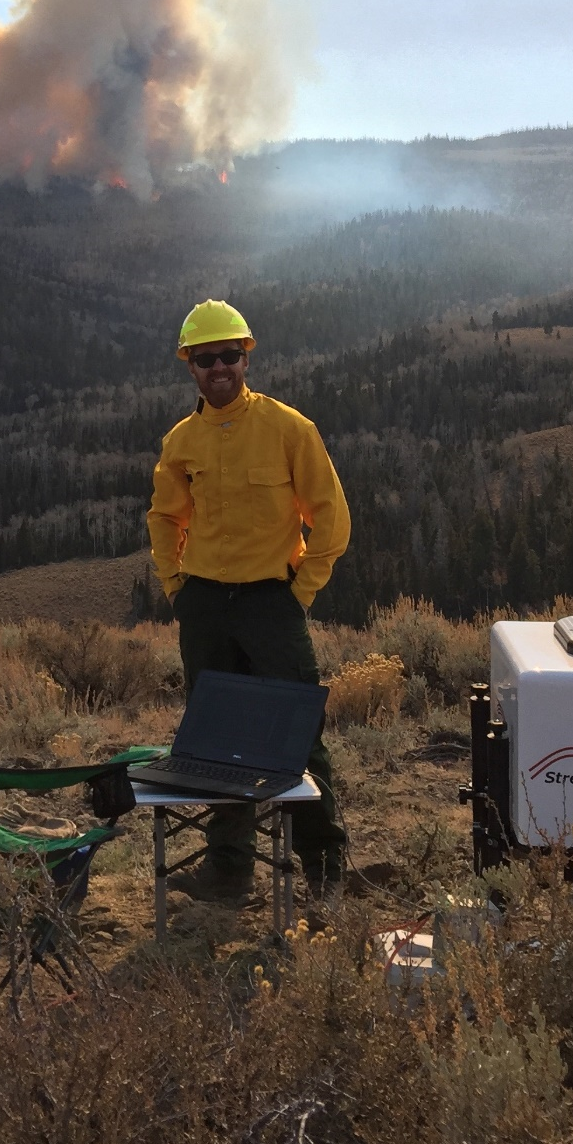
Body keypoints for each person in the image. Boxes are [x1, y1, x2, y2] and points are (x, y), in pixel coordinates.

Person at [146, 299, 351, 903]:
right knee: (215, 739)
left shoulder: (290, 429)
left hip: (271, 602)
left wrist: (299, 594)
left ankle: (323, 868)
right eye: (206, 359)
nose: (219, 368)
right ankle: (230, 871)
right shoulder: (181, 441)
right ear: (190, 366)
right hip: (205, 604)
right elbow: (164, 517)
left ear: (246, 357)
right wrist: (177, 587)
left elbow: (331, 520)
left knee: (300, 735)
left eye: (229, 356)